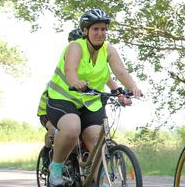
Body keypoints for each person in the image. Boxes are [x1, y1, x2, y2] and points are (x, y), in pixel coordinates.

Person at [46, 9, 142, 187]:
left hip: (90, 102)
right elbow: (70, 71)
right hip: (64, 98)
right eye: (95, 29)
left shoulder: (109, 50)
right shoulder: (76, 46)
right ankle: (56, 166)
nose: (100, 33)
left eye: (103, 29)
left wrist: (132, 88)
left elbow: (120, 71)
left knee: (96, 139)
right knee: (72, 128)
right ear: (85, 31)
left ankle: (103, 186)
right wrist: (75, 82)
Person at [37, 27, 129, 169]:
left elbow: (110, 80)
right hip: (54, 108)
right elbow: (69, 74)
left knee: (92, 135)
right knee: (58, 132)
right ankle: (50, 154)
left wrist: (121, 94)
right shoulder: (70, 58)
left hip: (84, 105)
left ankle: (97, 178)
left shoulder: (95, 62)